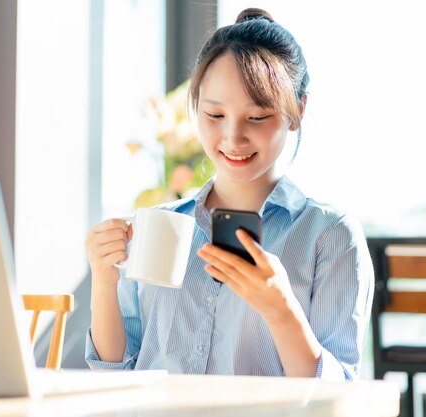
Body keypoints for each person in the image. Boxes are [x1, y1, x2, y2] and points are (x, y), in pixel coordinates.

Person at [84, 7, 374, 380]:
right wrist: (104, 282)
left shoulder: (331, 235)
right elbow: (115, 372)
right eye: (215, 116)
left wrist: (281, 310)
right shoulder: (162, 226)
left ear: (298, 111)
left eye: (257, 118)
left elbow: (341, 395)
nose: (233, 138)